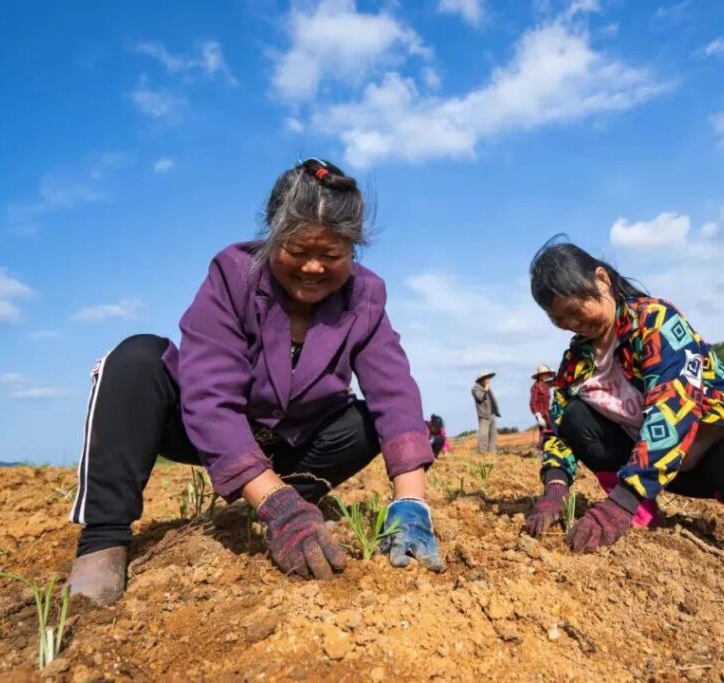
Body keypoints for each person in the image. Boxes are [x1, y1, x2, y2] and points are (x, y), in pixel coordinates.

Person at [66, 158, 445, 604]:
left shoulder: (365, 296)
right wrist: (277, 505)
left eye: (331, 255)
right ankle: (104, 539)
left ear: (353, 250)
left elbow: (393, 389)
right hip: (207, 432)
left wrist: (411, 501)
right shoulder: (234, 275)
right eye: (297, 251)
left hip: (294, 441)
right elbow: (210, 398)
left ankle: (281, 500)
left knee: (367, 423)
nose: (312, 268)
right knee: (135, 360)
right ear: (272, 235)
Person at [521, 241, 724, 566]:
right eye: (560, 320)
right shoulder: (576, 361)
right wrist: (555, 487)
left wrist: (622, 501)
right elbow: (559, 428)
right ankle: (644, 507)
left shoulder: (655, 322)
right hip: (647, 472)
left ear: (601, 280)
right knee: (575, 416)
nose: (572, 324)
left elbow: (673, 406)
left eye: (574, 310)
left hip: (713, 459)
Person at [471, 371, 500, 454]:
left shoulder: (488, 388)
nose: (488, 380)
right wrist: (486, 389)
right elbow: (480, 397)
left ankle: (492, 453)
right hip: (484, 415)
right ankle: (481, 453)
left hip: (492, 414)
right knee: (483, 435)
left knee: (493, 436)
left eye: (488, 378)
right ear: (481, 380)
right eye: (486, 378)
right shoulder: (475, 389)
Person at [529, 364, 555, 445]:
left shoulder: (545, 384)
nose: (547, 375)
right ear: (540, 375)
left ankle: (548, 449)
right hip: (542, 414)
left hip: (548, 412)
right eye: (546, 373)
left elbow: (555, 381)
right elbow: (532, 402)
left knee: (551, 431)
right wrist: (538, 416)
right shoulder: (536, 387)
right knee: (545, 433)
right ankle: (542, 450)